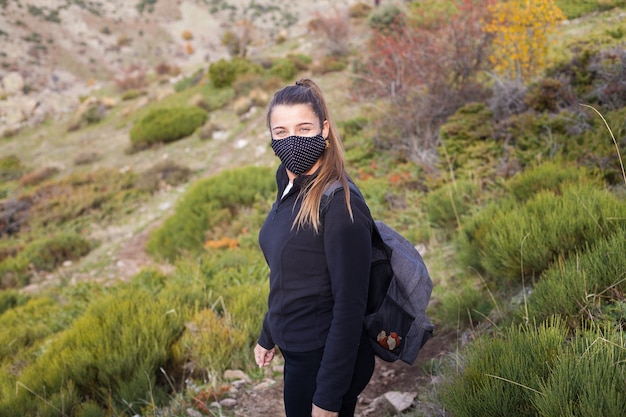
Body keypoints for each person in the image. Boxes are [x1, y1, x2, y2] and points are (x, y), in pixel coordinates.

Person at [255, 79, 375, 417]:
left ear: (324, 130)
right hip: (297, 350)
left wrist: (327, 398)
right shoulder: (288, 182)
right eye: (280, 131)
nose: (291, 140)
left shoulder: (340, 207)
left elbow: (351, 307)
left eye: (303, 128)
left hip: (322, 360)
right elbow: (287, 270)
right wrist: (269, 332)